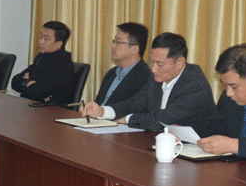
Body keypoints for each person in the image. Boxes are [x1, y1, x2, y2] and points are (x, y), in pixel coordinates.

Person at [83, 32, 216, 132]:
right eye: (152, 62)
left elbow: (163, 120)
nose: (153, 69)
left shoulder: (195, 84)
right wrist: (102, 111)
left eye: (159, 64)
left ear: (180, 62)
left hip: (197, 150)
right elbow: (136, 103)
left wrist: (127, 119)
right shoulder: (157, 77)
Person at [11, 20, 75, 105]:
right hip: (34, 106)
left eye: (46, 39)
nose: (41, 42)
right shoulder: (41, 57)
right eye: (41, 37)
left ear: (58, 44)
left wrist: (29, 84)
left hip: (52, 110)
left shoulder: (62, 65)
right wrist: (29, 83)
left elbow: (35, 93)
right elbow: (15, 81)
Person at [94, 22, 151, 106]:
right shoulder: (112, 73)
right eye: (114, 41)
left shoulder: (145, 78)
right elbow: (99, 102)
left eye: (118, 42)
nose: (113, 46)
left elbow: (134, 109)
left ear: (134, 49)